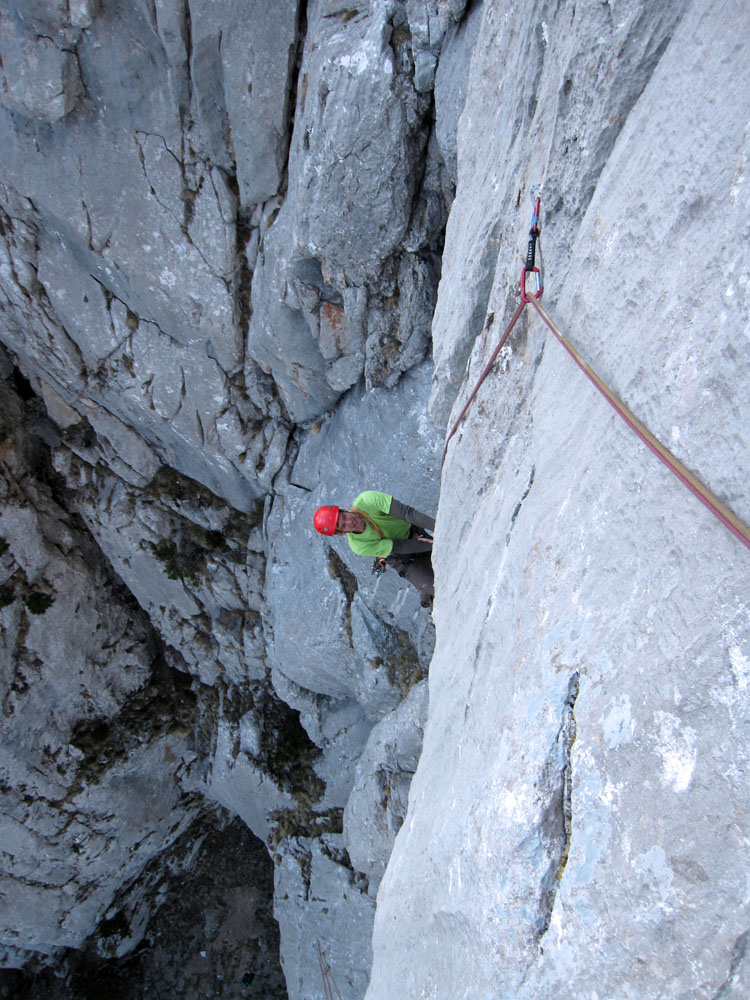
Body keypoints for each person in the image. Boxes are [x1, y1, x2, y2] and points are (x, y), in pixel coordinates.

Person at [313, 490, 435, 607]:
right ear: (341, 533)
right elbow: (399, 546)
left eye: (344, 516)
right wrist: (433, 546)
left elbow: (407, 513)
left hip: (410, 529)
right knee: (433, 585)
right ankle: (426, 595)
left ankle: (424, 588)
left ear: (344, 510)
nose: (350, 521)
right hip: (402, 559)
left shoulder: (367, 500)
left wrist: (438, 530)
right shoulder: (359, 546)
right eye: (344, 525)